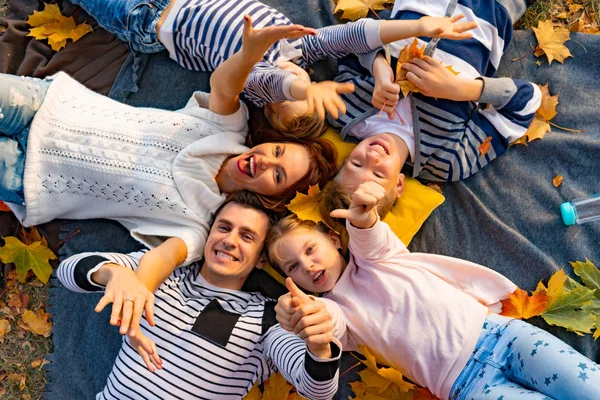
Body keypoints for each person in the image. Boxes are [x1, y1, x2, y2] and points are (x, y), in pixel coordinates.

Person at [0, 17, 336, 334]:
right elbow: (223, 85)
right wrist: (249, 54)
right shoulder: (229, 127)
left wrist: (139, 286)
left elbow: (161, 259)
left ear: (272, 197)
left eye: (277, 176)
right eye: (276, 152)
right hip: (46, 105)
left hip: (27, 174)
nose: (265, 162)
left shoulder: (200, 227)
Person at [266, 182, 600, 400]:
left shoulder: (375, 259)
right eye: (292, 267)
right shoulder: (336, 313)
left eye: (311, 249)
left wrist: (361, 218)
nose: (307, 266)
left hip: (502, 337)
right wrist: (303, 312)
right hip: (468, 387)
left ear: (334, 240)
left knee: (589, 387)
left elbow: (369, 237)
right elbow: (328, 323)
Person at [56, 190, 342, 400]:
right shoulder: (159, 274)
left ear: (260, 260)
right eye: (224, 227)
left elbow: (317, 391)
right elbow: (67, 271)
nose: (229, 241)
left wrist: (318, 348)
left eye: (246, 236)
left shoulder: (267, 317)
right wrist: (114, 274)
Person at [68, 0, 477, 137]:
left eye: (292, 101)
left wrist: (300, 93)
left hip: (144, 19)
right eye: (309, 91)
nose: (299, 86)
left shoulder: (255, 85)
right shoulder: (302, 50)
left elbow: (276, 82)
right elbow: (355, 34)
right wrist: (419, 26)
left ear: (271, 107)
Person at [321, 0, 543, 220]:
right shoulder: (448, 160)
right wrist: (460, 89)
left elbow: (349, 43)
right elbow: (527, 101)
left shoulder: (344, 110)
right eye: (378, 174)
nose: (372, 157)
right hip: (492, 11)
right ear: (398, 184)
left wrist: (377, 66)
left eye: (356, 163)